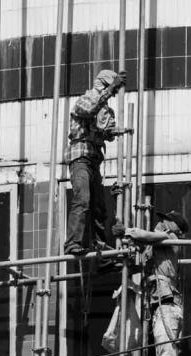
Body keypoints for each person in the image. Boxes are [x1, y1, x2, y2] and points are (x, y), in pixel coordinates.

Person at [125, 210, 187, 356]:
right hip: (161, 307)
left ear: (173, 227)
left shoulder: (170, 238)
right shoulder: (159, 246)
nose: (159, 223)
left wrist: (129, 231)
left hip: (167, 306)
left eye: (164, 221)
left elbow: (148, 236)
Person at [64, 69, 126, 257]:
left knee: (99, 208)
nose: (112, 95)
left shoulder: (106, 111)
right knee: (82, 199)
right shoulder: (85, 100)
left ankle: (101, 252)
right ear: (104, 85)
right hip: (80, 158)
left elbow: (106, 133)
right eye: (111, 90)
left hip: (94, 160)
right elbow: (89, 110)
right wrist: (109, 91)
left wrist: (112, 132)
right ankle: (73, 243)